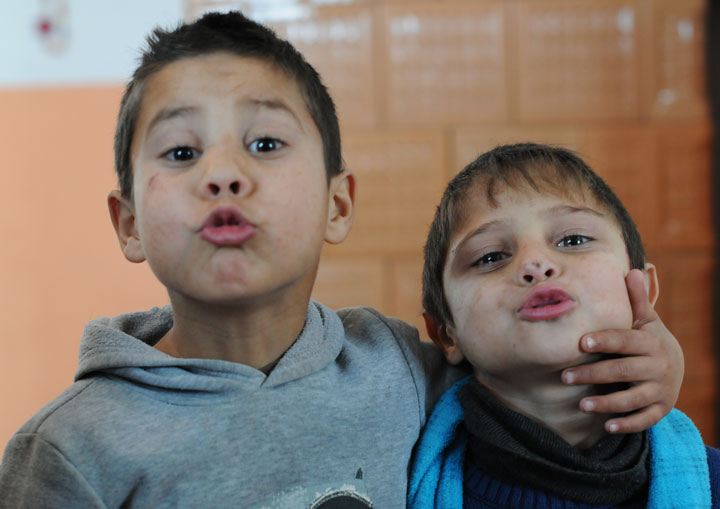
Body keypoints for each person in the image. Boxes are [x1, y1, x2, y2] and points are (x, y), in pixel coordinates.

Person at [0, 13, 682, 508]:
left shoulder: (395, 365)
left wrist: (654, 363)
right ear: (129, 225)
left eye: (265, 144)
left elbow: (529, 369)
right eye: (182, 152)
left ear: (338, 204)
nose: (224, 174)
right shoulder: (70, 449)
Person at [409, 143, 718, 508]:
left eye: (573, 240)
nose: (536, 264)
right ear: (445, 333)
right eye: (490, 257)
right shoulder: (392, 480)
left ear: (643, 291)